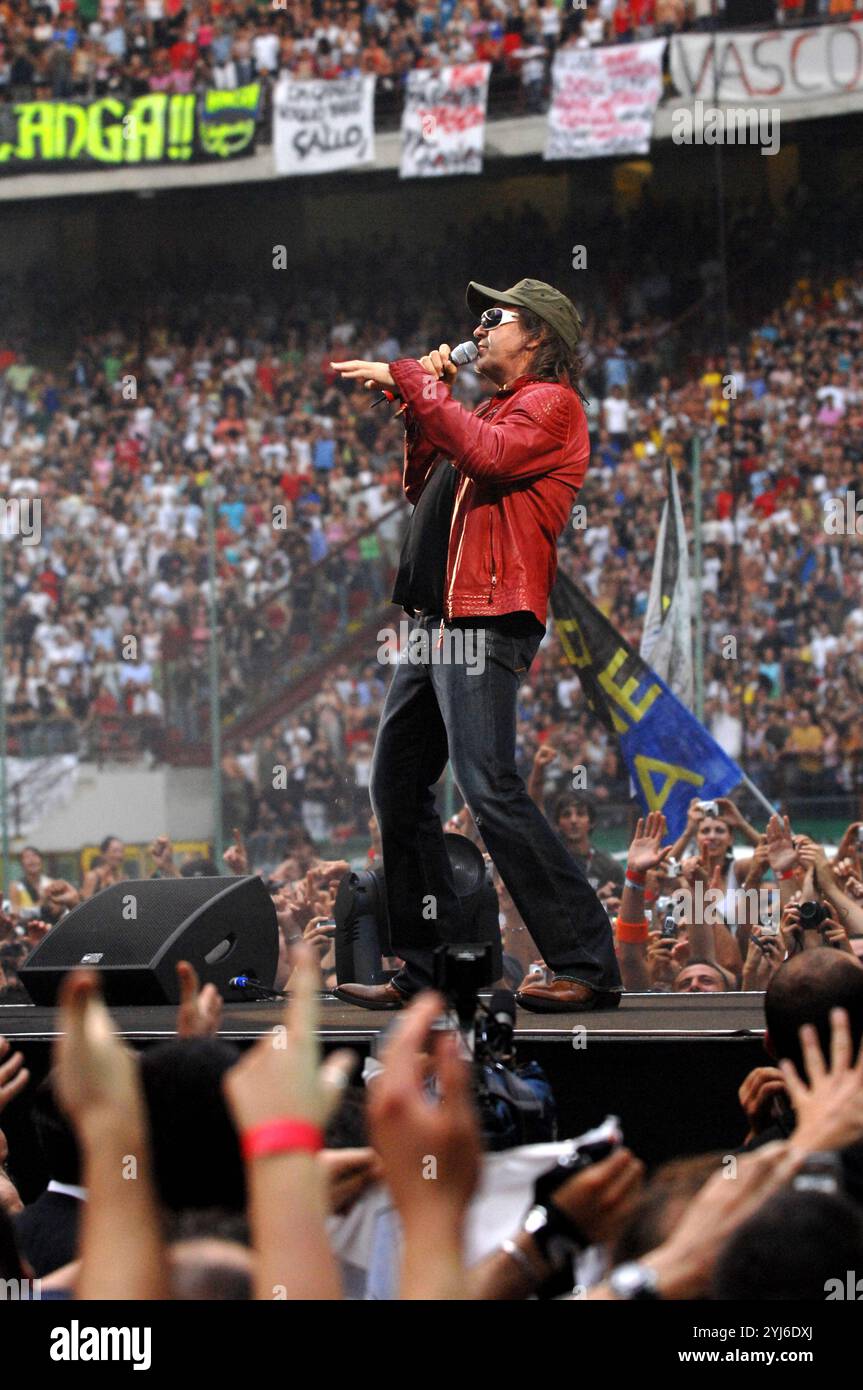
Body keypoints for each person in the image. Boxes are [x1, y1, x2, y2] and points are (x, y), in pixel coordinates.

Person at [330, 279, 621, 1012]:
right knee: (396, 787)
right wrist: (420, 406)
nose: (479, 327)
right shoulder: (485, 409)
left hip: (484, 619)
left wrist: (413, 381)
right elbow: (422, 486)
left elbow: (486, 457)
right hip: (435, 620)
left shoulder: (551, 407)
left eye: (495, 318)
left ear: (539, 339)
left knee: (487, 785)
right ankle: (430, 967)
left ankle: (586, 962)